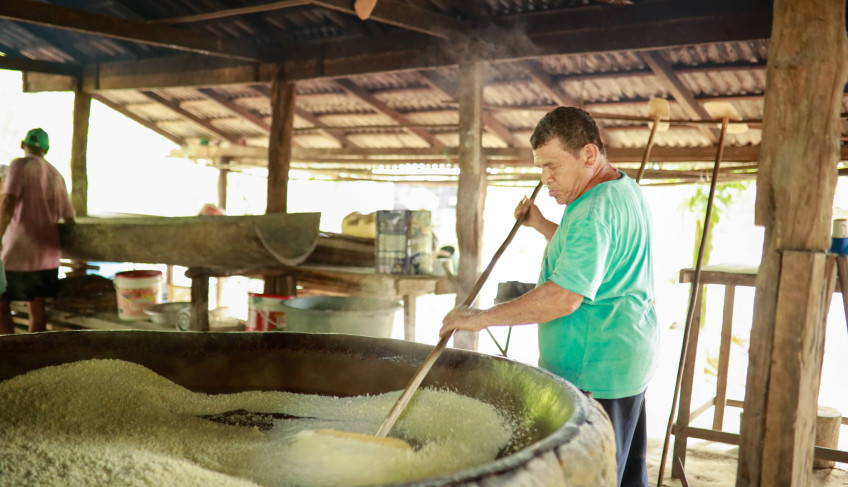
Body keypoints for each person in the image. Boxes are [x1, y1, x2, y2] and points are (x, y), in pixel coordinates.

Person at [440, 107, 658, 487]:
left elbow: (564, 298)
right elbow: (591, 253)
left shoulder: (591, 211)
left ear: (588, 155)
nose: (546, 178)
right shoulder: (621, 188)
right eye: (541, 168)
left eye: (553, 166)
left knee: (592, 477)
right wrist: (540, 223)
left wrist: (480, 317)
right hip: (626, 358)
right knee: (623, 475)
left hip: (596, 372)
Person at [0, 128, 75, 334]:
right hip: (47, 256)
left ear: (23, 145)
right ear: (46, 150)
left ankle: (9, 354)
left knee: (1, 304)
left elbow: (8, 201)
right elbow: (69, 217)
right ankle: (35, 355)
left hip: (19, 252)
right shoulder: (56, 175)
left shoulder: (18, 165)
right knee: (37, 307)